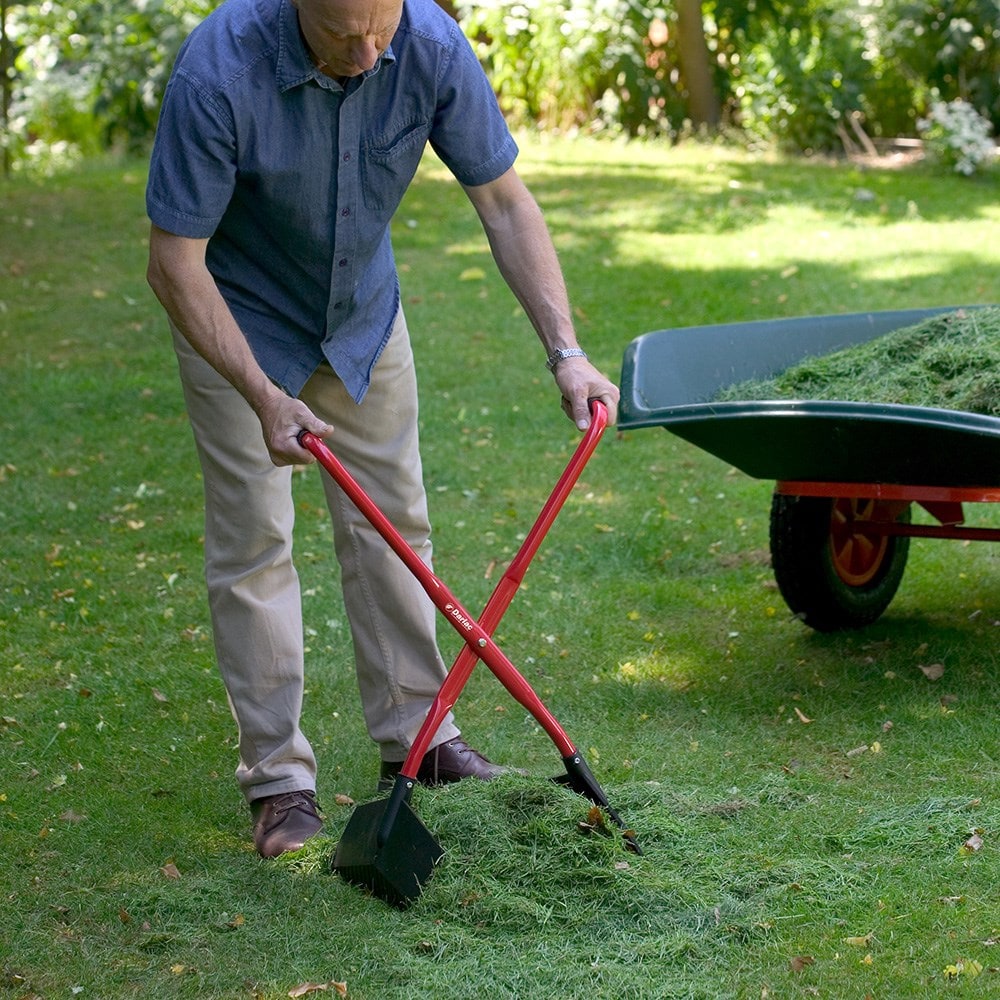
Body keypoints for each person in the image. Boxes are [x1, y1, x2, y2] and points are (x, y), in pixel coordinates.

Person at [145, 0, 620, 860]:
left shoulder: (429, 43)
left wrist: (567, 353)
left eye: (381, 31)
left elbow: (505, 204)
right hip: (237, 322)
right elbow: (174, 263)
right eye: (343, 38)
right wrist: (263, 396)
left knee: (396, 523)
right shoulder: (218, 71)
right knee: (255, 543)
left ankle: (421, 739)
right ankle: (279, 783)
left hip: (361, 314)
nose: (368, 57)